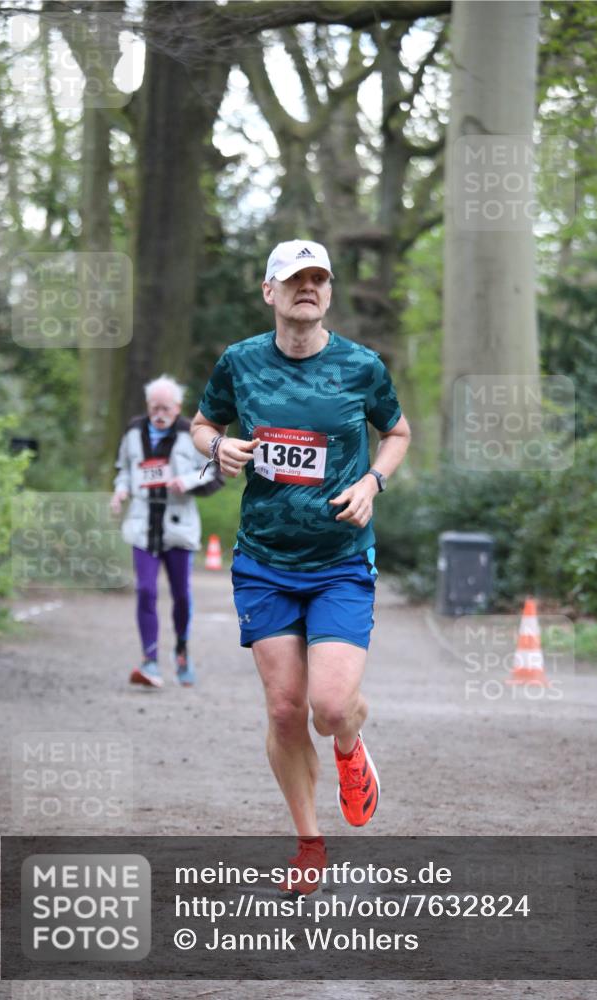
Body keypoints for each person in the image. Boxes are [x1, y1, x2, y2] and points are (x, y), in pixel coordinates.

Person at [191, 240, 410, 890]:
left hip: (340, 559)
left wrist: (372, 482)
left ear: (329, 293)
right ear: (270, 292)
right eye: (294, 279)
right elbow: (203, 424)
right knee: (285, 709)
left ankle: (349, 744)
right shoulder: (240, 362)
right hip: (264, 560)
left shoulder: (359, 366)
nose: (306, 288)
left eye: (318, 279)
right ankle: (309, 842)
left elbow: (396, 432)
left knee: (330, 705)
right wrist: (218, 446)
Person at [111, 375, 224, 688]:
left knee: (180, 596)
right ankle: (149, 661)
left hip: (179, 525)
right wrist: (120, 491)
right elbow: (123, 470)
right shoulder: (134, 431)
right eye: (154, 407)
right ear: (148, 406)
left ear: (177, 408)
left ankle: (182, 652)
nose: (159, 413)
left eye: (166, 408)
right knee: (145, 590)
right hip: (142, 524)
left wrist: (185, 482)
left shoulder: (192, 433)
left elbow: (213, 468)